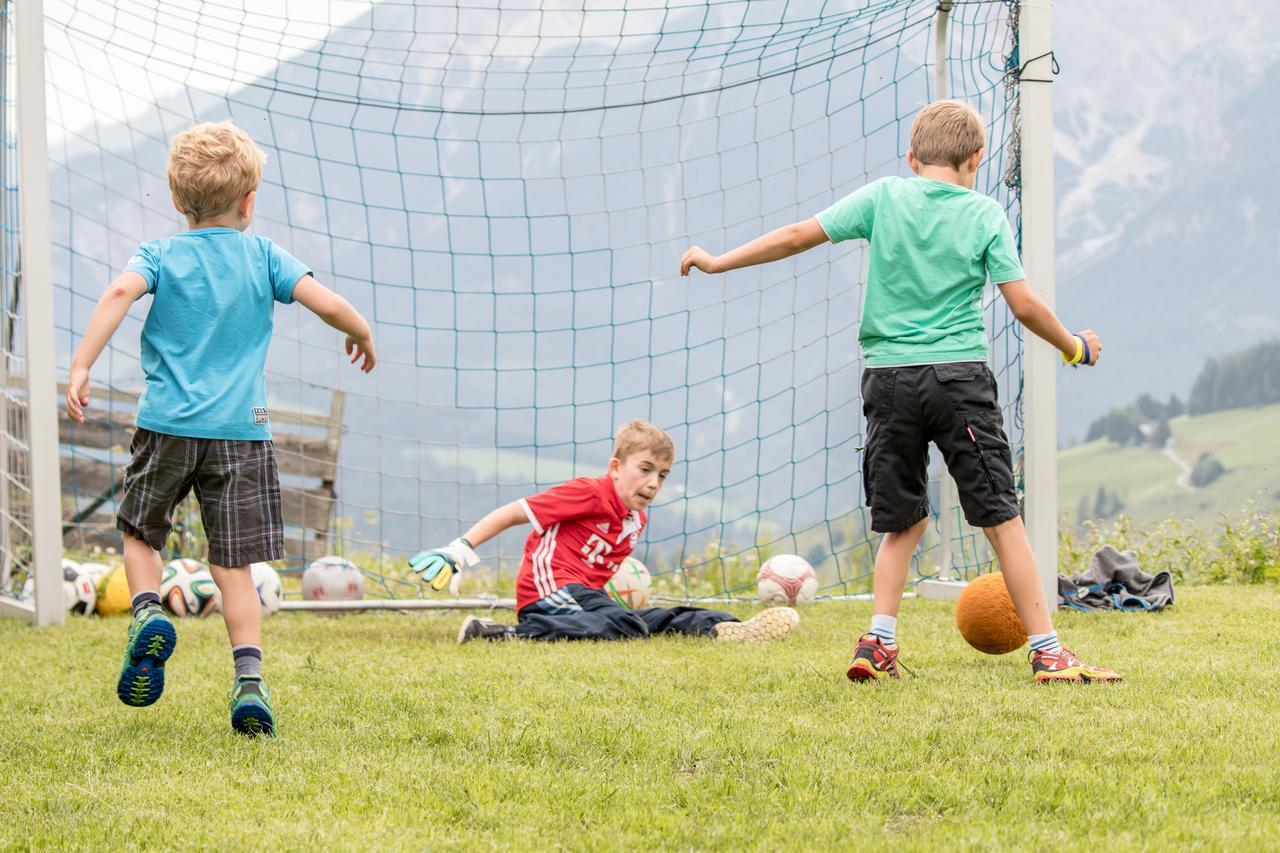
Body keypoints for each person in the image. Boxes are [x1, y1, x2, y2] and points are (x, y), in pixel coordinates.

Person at [679, 100, 1120, 684]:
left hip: (888, 380)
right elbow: (1024, 305)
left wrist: (717, 262)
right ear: (977, 159)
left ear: (912, 158)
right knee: (1000, 519)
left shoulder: (882, 197)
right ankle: (1048, 651)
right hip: (959, 379)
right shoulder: (985, 214)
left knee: (902, 521)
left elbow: (793, 237)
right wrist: (1073, 346)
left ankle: (878, 643)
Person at [65, 120, 378, 734]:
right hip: (243, 433)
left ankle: (149, 610)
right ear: (249, 201)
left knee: (139, 533)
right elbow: (327, 303)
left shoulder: (159, 252)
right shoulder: (263, 255)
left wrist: (82, 364)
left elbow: (118, 293)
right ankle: (249, 682)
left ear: (178, 201)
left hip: (167, 427)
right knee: (233, 564)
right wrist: (360, 332)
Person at [411, 420, 799, 643]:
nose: (653, 482)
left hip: (582, 597)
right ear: (616, 467)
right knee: (625, 625)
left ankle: (723, 628)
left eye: (662, 475)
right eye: (644, 469)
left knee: (649, 619)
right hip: (549, 592)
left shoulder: (636, 518)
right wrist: (459, 550)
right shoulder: (587, 492)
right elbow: (513, 513)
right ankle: (501, 634)